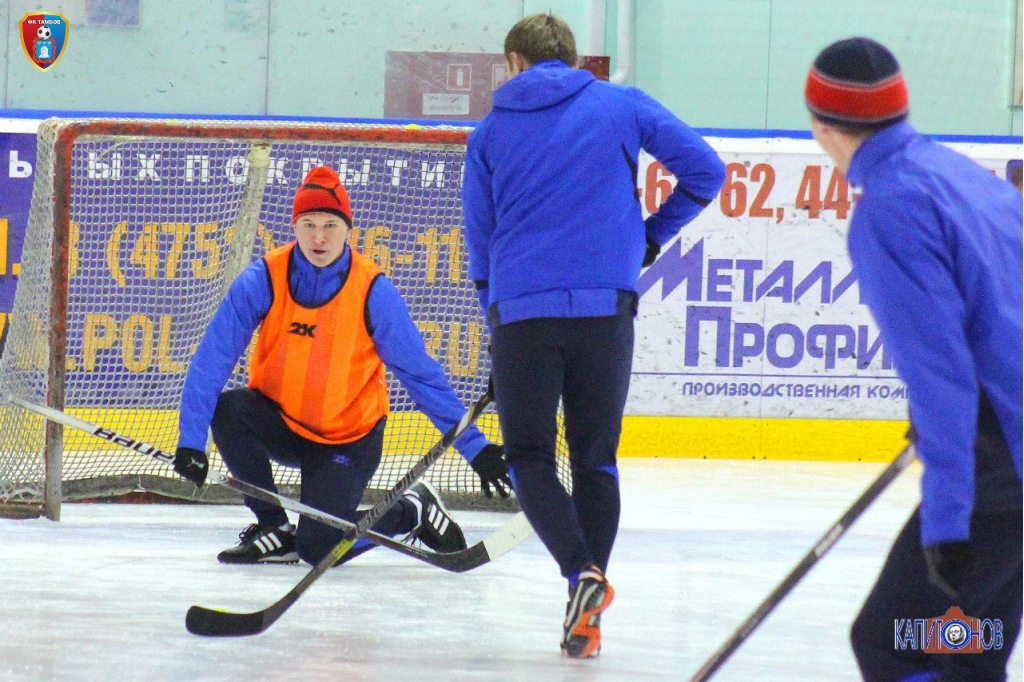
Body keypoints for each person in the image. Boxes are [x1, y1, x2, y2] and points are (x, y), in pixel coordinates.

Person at [462, 14, 725, 658]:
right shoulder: (620, 104)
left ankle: (580, 574)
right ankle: (590, 609)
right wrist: (651, 236)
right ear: (575, 59)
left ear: (516, 62)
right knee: (595, 459)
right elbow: (706, 172)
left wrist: (495, 318)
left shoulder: (491, 131)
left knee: (528, 455)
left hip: (523, 312)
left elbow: (481, 239)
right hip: (606, 310)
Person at [804, 37, 1023, 681]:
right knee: (971, 645)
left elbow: (942, 373)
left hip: (999, 468)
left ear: (821, 124)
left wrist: (948, 522)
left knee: (894, 640)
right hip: (1010, 456)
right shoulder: (958, 176)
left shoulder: (891, 210)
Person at [172, 165, 510, 566]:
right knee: (229, 411)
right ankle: (274, 528)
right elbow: (212, 360)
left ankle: (410, 512)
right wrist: (191, 441)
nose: (318, 237)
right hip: (282, 423)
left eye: (330, 225)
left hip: (348, 439)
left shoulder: (372, 291)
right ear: (294, 226)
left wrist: (476, 450)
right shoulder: (263, 278)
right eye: (308, 223)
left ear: (348, 228)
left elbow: (422, 378)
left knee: (319, 550)